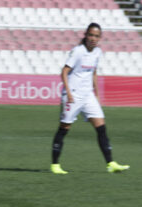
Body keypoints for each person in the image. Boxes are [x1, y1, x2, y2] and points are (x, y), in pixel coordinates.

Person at [49, 22, 129, 175]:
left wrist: (96, 94)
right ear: (85, 35)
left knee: (101, 127)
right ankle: (55, 164)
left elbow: (93, 73)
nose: (93, 38)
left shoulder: (98, 52)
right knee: (64, 128)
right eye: (91, 35)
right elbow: (64, 72)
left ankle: (111, 163)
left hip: (88, 96)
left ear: (100, 38)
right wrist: (69, 94)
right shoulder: (78, 51)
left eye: (96, 36)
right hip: (73, 94)